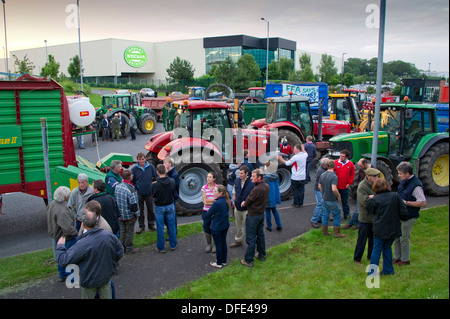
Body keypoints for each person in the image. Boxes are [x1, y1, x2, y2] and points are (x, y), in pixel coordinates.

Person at [55, 209, 124, 299]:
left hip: (89, 281)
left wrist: (60, 246)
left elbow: (64, 260)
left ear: (83, 224)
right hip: (105, 278)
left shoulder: (82, 244)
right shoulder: (108, 235)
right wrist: (111, 262)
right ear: (96, 221)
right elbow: (120, 251)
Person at [366, 178, 408, 275]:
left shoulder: (374, 199)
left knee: (376, 249)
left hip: (380, 228)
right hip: (393, 227)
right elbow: (403, 212)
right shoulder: (395, 197)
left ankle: (372, 272)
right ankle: (388, 270)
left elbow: (370, 210)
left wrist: (371, 199)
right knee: (387, 247)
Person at [394, 161, 427, 266]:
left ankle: (405, 259)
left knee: (404, 238)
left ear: (407, 173)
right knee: (396, 237)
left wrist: (406, 203)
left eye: (400, 173)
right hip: (400, 214)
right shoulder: (404, 181)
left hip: (409, 216)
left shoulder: (416, 186)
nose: (399, 175)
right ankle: (397, 257)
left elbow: (422, 202)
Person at [46, 186, 78, 282]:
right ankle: (72, 278)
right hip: (67, 237)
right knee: (70, 258)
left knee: (60, 256)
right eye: (68, 195)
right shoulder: (62, 211)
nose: (69, 196)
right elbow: (67, 228)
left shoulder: (52, 204)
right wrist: (75, 233)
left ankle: (62, 275)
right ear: (64, 197)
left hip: (57, 236)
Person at [240, 169, 270, 268]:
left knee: (251, 238)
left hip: (253, 216)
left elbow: (248, 201)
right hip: (261, 214)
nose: (251, 178)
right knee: (260, 235)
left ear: (259, 177)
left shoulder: (257, 189)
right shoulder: (266, 186)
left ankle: (248, 260)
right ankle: (261, 255)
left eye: (253, 176)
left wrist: (243, 203)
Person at [353, 167, 380, 264]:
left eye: (377, 176)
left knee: (373, 240)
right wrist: (375, 199)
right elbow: (365, 202)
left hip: (374, 219)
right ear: (368, 177)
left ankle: (370, 256)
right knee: (362, 240)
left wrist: (373, 197)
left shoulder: (376, 184)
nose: (377, 178)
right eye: (374, 176)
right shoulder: (362, 186)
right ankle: (357, 259)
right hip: (365, 219)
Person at [152, 164, 178, 253]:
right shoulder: (172, 181)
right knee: (171, 226)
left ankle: (161, 247)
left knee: (160, 227)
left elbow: (153, 195)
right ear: (165, 171)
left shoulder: (155, 185)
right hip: (170, 205)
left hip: (160, 207)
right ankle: (173, 244)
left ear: (157, 172)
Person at [204, 185, 231, 268]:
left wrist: (213, 216)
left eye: (215, 191)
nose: (213, 192)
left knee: (218, 244)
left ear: (220, 193)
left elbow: (208, 214)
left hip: (217, 227)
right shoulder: (226, 201)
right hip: (225, 225)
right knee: (223, 243)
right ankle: (224, 261)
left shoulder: (216, 203)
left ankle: (219, 263)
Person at [115, 169, 140, 254]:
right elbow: (134, 206)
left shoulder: (118, 186)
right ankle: (129, 248)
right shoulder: (131, 189)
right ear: (130, 177)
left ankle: (122, 247)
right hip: (129, 215)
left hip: (120, 214)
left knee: (122, 231)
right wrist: (136, 214)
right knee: (129, 232)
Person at [318, 159, 345, 238]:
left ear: (326, 166)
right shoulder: (334, 176)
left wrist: (323, 193)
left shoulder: (322, 174)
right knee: (337, 214)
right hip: (332, 200)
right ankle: (336, 233)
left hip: (324, 199)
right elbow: (334, 189)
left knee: (325, 215)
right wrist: (338, 195)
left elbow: (319, 186)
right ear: (334, 166)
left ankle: (324, 231)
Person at [131, 153, 157, 234]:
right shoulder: (134, 169)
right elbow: (132, 181)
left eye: (142, 159)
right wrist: (136, 189)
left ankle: (151, 224)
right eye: (139, 159)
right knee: (140, 211)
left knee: (150, 210)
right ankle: (141, 226)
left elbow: (155, 178)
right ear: (137, 160)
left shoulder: (151, 167)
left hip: (149, 193)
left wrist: (153, 186)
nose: (141, 161)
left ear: (145, 159)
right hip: (139, 194)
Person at [230, 165, 254, 248]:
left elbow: (253, 196)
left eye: (242, 173)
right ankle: (238, 241)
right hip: (238, 208)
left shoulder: (251, 183)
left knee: (249, 228)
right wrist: (234, 201)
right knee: (238, 226)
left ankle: (251, 245)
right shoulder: (237, 180)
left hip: (247, 209)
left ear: (247, 173)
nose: (240, 175)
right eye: (239, 173)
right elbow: (234, 191)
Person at [344, 158, 371, 230]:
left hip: (366, 193)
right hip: (360, 191)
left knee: (359, 209)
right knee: (358, 209)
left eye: (361, 166)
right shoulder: (361, 170)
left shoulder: (372, 172)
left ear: (365, 164)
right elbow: (358, 179)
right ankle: (354, 223)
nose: (360, 168)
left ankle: (353, 223)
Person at [278, 143, 308, 208]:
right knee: (301, 190)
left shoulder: (295, 157)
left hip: (295, 177)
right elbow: (306, 153)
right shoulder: (304, 155)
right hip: (302, 176)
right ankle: (301, 203)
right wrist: (303, 149)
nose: (294, 150)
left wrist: (280, 159)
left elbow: (287, 163)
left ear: (297, 149)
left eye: (294, 149)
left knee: (295, 191)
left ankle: (296, 203)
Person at [334, 150, 355, 220]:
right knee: (335, 202)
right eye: (340, 156)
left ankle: (346, 215)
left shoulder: (350, 164)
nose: (341, 157)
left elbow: (352, 174)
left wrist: (349, 183)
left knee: (345, 202)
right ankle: (335, 215)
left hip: (345, 187)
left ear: (347, 157)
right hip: (336, 187)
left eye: (343, 156)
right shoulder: (335, 163)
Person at [262, 161, 282, 231]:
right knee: (274, 210)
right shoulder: (276, 175)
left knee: (267, 211)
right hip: (274, 195)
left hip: (268, 196)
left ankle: (269, 226)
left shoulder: (265, 178)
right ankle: (279, 225)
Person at [201, 171, 217, 253]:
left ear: (214, 179)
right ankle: (209, 244)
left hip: (215, 211)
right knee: (206, 227)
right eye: (207, 177)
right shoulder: (204, 187)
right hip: (206, 211)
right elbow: (204, 201)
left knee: (215, 228)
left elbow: (217, 200)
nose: (208, 178)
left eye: (210, 177)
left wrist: (210, 201)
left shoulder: (217, 188)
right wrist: (213, 201)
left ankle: (215, 244)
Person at [311, 158, 328, 228]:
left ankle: (319, 218)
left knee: (322, 203)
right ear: (324, 164)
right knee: (320, 204)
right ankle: (314, 220)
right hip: (319, 190)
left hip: (319, 189)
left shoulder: (322, 168)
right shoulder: (321, 171)